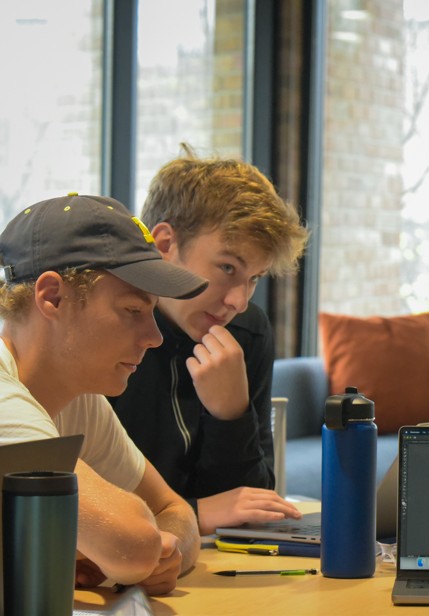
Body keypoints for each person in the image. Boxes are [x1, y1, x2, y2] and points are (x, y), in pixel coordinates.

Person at [0, 193, 208, 594]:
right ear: (52, 297)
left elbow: (174, 510)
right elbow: (130, 545)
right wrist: (138, 549)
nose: (155, 337)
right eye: (133, 310)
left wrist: (167, 551)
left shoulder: (79, 400)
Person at [108, 151, 309, 535]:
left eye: (255, 278)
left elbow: (252, 503)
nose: (239, 301)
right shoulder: (103, 328)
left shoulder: (246, 331)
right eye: (228, 268)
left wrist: (231, 414)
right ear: (164, 244)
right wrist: (193, 512)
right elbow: (82, 494)